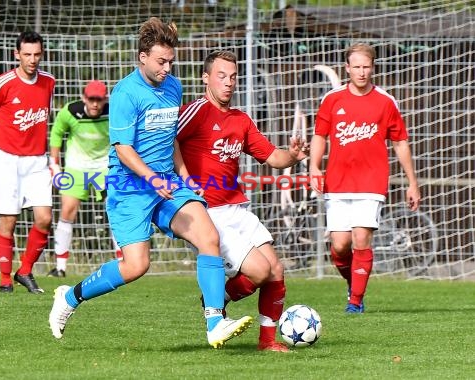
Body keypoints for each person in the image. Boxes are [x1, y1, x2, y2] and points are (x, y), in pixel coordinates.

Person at [49, 17, 253, 348]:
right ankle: (70, 297)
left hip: (167, 184)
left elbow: (171, 138)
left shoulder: (173, 87)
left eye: (170, 61)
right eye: (161, 61)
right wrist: (152, 177)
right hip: (130, 188)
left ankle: (215, 321)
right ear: (142, 57)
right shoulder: (125, 93)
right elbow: (123, 150)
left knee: (208, 236)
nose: (167, 68)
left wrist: (183, 175)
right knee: (136, 265)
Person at [177, 50, 308, 352]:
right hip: (208, 213)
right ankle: (217, 300)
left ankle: (267, 341)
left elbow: (273, 156)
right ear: (205, 78)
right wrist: (181, 182)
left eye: (233, 77)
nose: (228, 83)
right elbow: (164, 142)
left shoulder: (241, 120)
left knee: (275, 269)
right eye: (221, 76)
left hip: (237, 208)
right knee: (259, 271)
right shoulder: (195, 112)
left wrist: (292, 155)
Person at [309, 42, 421, 313]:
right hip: (337, 182)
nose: (361, 72)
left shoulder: (385, 101)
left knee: (361, 238)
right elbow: (320, 136)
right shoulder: (332, 99)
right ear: (347, 68)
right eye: (356, 67)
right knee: (339, 246)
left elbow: (400, 143)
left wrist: (412, 183)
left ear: (373, 67)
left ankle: (355, 302)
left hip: (371, 182)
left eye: (366, 67)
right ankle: (354, 282)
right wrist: (314, 166)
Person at [0, 31, 56, 294]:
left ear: (41, 54)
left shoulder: (49, 82)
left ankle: (24, 271)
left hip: (36, 161)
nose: (32, 60)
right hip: (6, 160)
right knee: (8, 220)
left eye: (36, 54)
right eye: (27, 54)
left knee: (44, 218)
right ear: (17, 55)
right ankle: (4, 281)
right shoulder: (3, 83)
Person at [47, 80, 122, 278]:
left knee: (116, 211)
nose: (95, 104)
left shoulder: (114, 112)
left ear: (105, 99)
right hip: (76, 169)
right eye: (91, 99)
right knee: (67, 211)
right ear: (84, 98)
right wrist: (54, 165)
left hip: (105, 168)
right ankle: (60, 267)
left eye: (99, 100)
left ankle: (124, 262)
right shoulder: (70, 111)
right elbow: (56, 135)